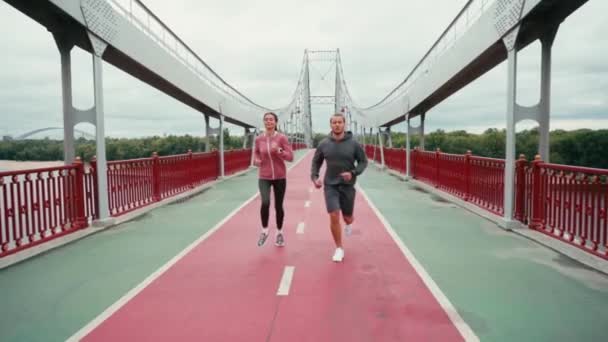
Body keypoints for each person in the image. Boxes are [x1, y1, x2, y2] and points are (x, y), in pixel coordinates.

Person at [310, 112, 368, 262]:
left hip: (348, 185)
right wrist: (315, 177)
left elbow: (363, 162)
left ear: (344, 124)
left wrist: (353, 172)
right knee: (334, 214)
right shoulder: (324, 144)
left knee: (347, 217)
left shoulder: (354, 144)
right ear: (330, 124)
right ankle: (339, 248)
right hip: (330, 185)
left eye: (339, 122)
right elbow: (316, 162)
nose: (337, 125)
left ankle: (348, 222)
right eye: (334, 122)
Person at [253, 112, 294, 247]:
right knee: (265, 202)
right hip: (264, 176)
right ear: (264, 122)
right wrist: (257, 160)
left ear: (276, 123)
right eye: (266, 120)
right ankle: (264, 231)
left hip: (280, 177)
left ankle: (279, 233)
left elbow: (290, 157)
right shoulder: (259, 139)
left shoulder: (282, 138)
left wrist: (280, 151)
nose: (269, 122)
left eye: (271, 120)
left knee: (278, 206)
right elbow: (256, 154)